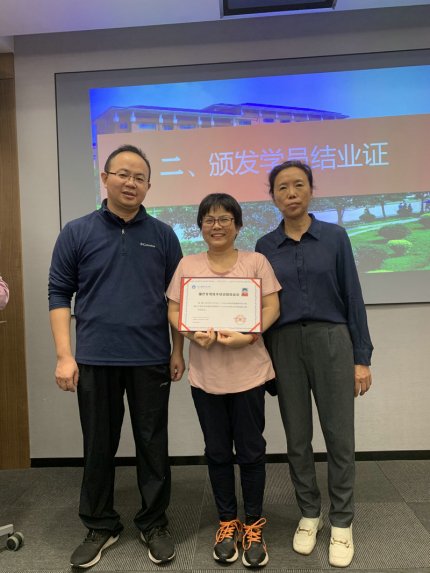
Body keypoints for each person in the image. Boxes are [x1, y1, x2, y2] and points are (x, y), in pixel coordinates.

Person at [48, 144, 185, 568]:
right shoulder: (76, 232)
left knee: (152, 445)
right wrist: (64, 355)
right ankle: (100, 524)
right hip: (95, 358)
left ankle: (153, 523)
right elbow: (59, 293)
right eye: (123, 174)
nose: (131, 183)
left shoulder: (163, 235)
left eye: (140, 177)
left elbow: (178, 298)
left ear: (148, 186)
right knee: (98, 446)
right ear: (105, 178)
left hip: (150, 357)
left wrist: (178, 349)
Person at [255, 161, 373, 568]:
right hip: (284, 344)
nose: (291, 193)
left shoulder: (335, 237)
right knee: (297, 437)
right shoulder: (264, 246)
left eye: (298, 185)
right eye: (282, 187)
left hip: (332, 339)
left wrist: (361, 357)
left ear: (311, 189)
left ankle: (341, 520)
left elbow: (353, 296)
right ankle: (309, 513)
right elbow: (261, 306)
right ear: (272, 195)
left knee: (339, 436)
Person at [167, 193, 281, 568]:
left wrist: (250, 335)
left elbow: (272, 306)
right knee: (216, 452)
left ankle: (254, 525)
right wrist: (189, 333)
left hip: (249, 374)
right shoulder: (188, 264)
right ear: (200, 226)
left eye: (225, 219)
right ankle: (227, 522)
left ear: (238, 225)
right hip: (207, 376)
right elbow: (174, 310)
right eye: (209, 219)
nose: (217, 226)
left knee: (251, 451)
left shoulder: (256, 262)